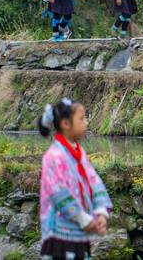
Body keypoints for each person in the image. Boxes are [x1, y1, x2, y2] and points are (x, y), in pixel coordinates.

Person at [38, 98, 112, 260]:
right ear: (66, 124)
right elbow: (58, 192)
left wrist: (100, 212)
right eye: (82, 118)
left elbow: (94, 181)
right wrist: (83, 218)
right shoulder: (53, 156)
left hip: (79, 231)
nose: (86, 122)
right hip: (60, 233)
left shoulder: (79, 153)